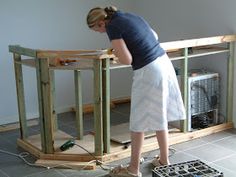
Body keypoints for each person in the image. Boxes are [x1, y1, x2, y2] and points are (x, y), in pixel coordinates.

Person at [86, 6, 185, 177]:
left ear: (101, 23)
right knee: (159, 115)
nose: (99, 32)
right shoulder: (129, 16)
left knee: (138, 121)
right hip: (163, 62)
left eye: (97, 29)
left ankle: (133, 170)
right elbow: (154, 35)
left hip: (149, 71)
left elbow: (127, 59)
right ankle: (163, 160)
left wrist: (116, 54)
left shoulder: (112, 27)